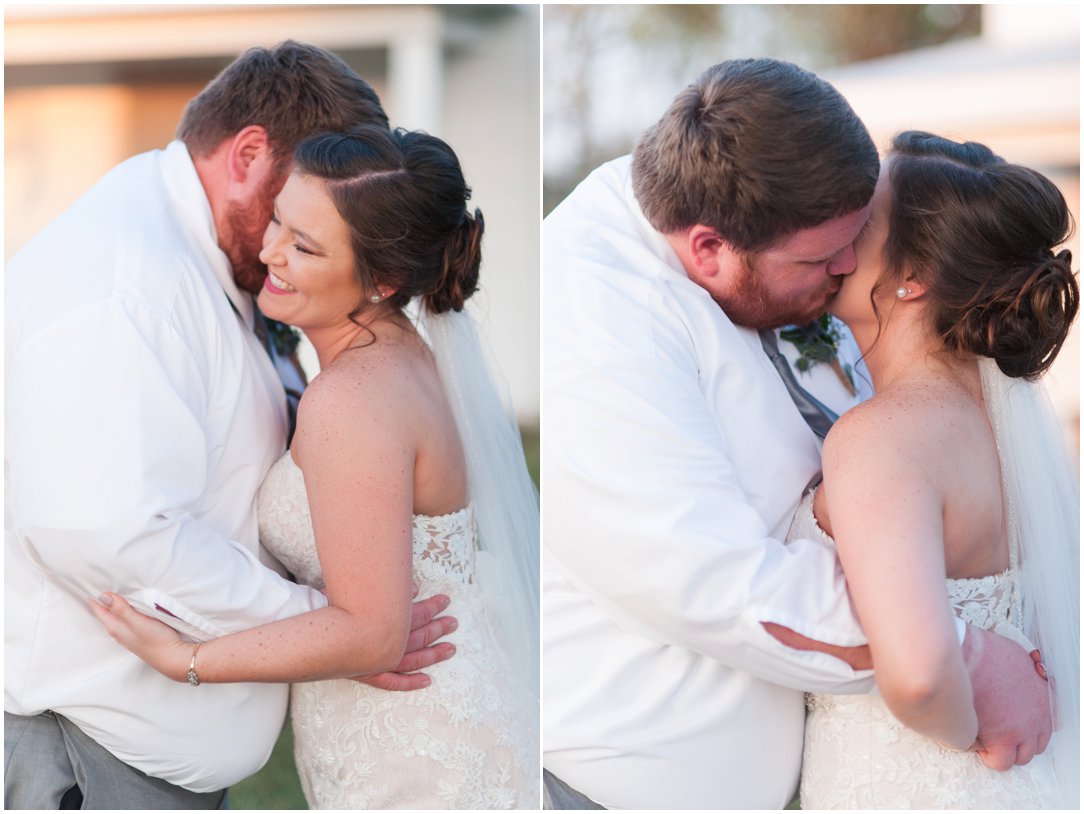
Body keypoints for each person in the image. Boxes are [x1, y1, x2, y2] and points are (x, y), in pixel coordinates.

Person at [541, 58, 1053, 809]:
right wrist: (962, 654)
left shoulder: (777, 231)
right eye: (823, 261)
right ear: (709, 248)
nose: (849, 269)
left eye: (858, 241)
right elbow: (707, 579)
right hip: (628, 781)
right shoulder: (593, 319)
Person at [5, 41, 456, 810]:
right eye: (294, 206)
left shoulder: (212, 262)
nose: (288, 241)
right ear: (248, 154)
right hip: (87, 758)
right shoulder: (126, 286)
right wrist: (331, 629)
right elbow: (110, 533)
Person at [91, 125, 541, 810]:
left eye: (304, 247)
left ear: (381, 281)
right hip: (425, 711)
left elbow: (372, 631)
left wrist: (185, 661)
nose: (270, 250)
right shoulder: (403, 356)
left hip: (415, 747)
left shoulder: (352, 398)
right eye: (279, 219)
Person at [789, 131, 1079, 809]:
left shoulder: (879, 438)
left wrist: (967, 739)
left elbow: (919, 677)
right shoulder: (999, 428)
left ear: (912, 277)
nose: (837, 223)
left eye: (863, 216)